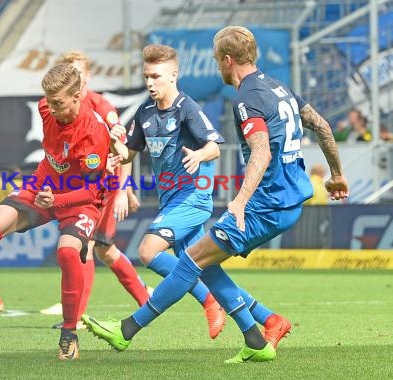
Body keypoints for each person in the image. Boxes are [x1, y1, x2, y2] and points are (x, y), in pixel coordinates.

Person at [82, 27, 349, 364]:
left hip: (265, 204)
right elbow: (322, 125)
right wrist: (337, 175)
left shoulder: (246, 98)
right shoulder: (279, 88)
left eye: (216, 61)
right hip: (291, 198)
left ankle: (126, 331)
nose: (217, 68)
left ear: (227, 60)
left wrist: (239, 202)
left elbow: (261, 153)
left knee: (191, 262)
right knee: (204, 263)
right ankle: (261, 330)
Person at [0, 63, 111, 360]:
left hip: (80, 199)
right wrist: (44, 194)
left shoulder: (94, 134)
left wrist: (56, 202)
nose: (52, 110)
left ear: (77, 95)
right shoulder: (46, 107)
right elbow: (52, 154)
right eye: (49, 102)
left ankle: (69, 334)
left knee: (68, 253)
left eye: (59, 103)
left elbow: (93, 191)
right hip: (42, 184)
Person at [85, 44, 227, 339]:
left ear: (173, 75)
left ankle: (207, 301)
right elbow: (129, 153)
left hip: (192, 196)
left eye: (156, 76)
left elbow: (214, 147)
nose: (150, 83)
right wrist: (114, 146)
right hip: (170, 201)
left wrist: (199, 156)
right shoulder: (145, 111)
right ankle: (261, 322)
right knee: (204, 267)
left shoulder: (188, 108)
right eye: (147, 76)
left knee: (148, 251)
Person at [41, 51, 152, 329]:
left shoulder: (102, 106)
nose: (74, 78)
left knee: (87, 246)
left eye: (77, 73)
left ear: (86, 77)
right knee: (105, 249)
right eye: (69, 72)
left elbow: (123, 150)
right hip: (79, 188)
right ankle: (146, 301)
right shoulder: (58, 108)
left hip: (102, 187)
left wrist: (124, 189)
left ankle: (76, 316)